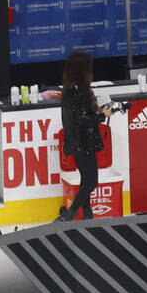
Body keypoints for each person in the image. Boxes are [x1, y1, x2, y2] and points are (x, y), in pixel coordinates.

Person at [57, 51, 111, 221]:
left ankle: (87, 215)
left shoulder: (68, 89)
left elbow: (77, 116)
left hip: (75, 141)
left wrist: (98, 111)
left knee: (86, 179)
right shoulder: (80, 89)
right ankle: (71, 213)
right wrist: (103, 115)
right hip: (83, 141)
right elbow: (82, 119)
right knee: (91, 181)